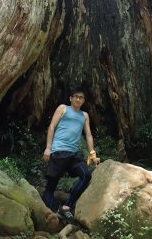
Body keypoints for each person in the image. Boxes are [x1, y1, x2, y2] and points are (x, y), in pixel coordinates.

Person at [42, 86, 100, 222]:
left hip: (74, 154)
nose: (78, 99)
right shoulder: (63, 108)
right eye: (76, 97)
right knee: (51, 187)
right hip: (58, 152)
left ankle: (66, 207)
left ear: (83, 100)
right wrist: (48, 148)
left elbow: (89, 135)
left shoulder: (84, 116)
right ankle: (50, 216)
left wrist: (92, 154)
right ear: (71, 98)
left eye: (81, 98)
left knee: (85, 175)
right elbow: (51, 126)